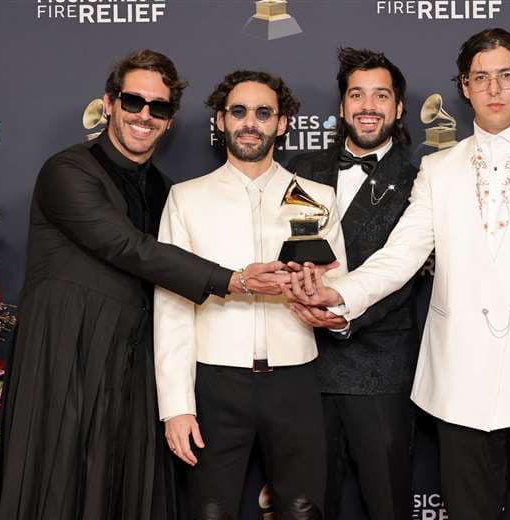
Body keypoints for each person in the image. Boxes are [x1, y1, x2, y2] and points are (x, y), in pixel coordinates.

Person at [288, 28, 510, 519]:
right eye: (481, 77)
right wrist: (339, 295)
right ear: (464, 86)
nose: (493, 88)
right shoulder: (438, 169)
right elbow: (399, 256)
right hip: (459, 387)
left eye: (505, 76)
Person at [0, 50, 288, 520]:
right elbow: (128, 247)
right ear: (110, 103)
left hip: (134, 369)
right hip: (64, 361)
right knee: (56, 491)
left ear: (169, 121)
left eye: (159, 107)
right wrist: (232, 280)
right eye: (133, 102)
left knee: (129, 496)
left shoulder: (167, 192)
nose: (144, 115)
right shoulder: (67, 171)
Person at [153, 70, 347, 520]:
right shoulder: (186, 199)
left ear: (282, 123)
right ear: (221, 120)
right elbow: (171, 309)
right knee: (209, 511)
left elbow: (341, 291)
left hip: (295, 380)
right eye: (238, 112)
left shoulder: (318, 198)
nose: (250, 123)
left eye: (263, 113)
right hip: (215, 383)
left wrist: (332, 310)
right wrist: (177, 407)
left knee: (303, 510)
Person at [286, 47, 421, 520]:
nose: (368, 106)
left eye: (381, 96)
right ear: (342, 106)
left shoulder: (421, 180)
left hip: (379, 370)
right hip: (302, 366)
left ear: (398, 108)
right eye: (357, 94)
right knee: (305, 506)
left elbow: (405, 272)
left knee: (386, 504)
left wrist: (343, 319)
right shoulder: (299, 169)